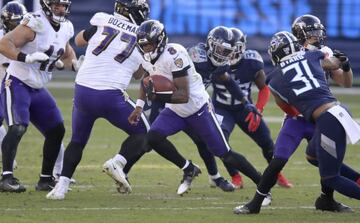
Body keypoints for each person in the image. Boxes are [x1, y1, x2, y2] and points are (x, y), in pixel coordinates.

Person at [128, 20, 270, 200]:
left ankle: (263, 186)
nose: (223, 55)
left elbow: (187, 94)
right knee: (152, 138)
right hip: (176, 109)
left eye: (227, 52)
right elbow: (147, 80)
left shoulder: (178, 55)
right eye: (221, 50)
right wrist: (140, 105)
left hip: (198, 108)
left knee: (224, 154)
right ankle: (188, 168)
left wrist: (244, 101)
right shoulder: (188, 55)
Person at [234, 31, 360, 214]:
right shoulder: (314, 54)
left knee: (330, 175)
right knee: (313, 156)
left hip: (323, 119)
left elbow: (287, 108)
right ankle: (256, 204)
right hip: (337, 112)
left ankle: (329, 198)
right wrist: (342, 61)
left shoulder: (274, 78)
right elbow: (334, 64)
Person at [46, 0, 151, 200]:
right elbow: (138, 75)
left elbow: (78, 41)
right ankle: (118, 163)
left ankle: (61, 187)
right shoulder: (141, 34)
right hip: (110, 96)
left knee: (77, 141)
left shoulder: (103, 21)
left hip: (83, 91)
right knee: (147, 133)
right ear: (132, 11)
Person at [188, 26, 292, 189]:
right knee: (221, 140)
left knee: (266, 141)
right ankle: (235, 176)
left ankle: (276, 174)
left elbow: (263, 87)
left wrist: (259, 108)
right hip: (222, 108)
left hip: (244, 109)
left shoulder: (252, 61)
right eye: (227, 50)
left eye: (233, 50)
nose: (230, 54)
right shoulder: (214, 61)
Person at [0, 0, 77, 193]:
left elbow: (66, 52)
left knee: (56, 130)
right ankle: (6, 177)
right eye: (56, 5)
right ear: (45, 5)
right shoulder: (34, 23)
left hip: (37, 87)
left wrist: (75, 63)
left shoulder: (66, 27)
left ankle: (45, 179)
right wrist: (25, 57)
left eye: (63, 5)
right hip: (18, 81)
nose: (60, 9)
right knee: (17, 127)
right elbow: (4, 43)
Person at [0, 1, 28, 171]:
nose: (16, 26)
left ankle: (57, 170)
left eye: (19, 22)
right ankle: (8, 159)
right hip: (6, 82)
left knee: (52, 127)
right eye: (12, 22)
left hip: (21, 85)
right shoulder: (3, 38)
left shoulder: (28, 36)